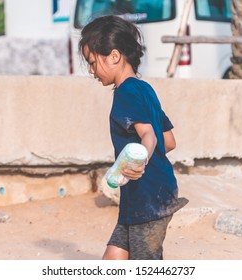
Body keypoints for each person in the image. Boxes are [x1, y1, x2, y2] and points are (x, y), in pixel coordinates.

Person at [78, 15, 188, 260]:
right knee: (113, 259)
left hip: (146, 198)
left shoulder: (126, 92)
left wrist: (139, 160)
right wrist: (145, 158)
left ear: (114, 56)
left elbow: (149, 135)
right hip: (149, 194)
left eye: (93, 62)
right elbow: (168, 141)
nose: (91, 70)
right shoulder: (145, 89)